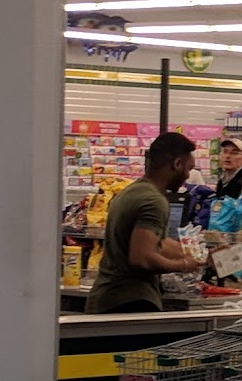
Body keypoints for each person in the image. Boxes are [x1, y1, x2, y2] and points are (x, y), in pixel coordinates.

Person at [86, 132, 201, 312]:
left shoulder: (131, 192)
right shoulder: (154, 201)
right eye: (189, 168)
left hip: (105, 298)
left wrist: (196, 255)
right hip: (130, 303)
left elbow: (155, 242)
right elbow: (142, 258)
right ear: (177, 164)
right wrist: (184, 266)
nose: (187, 175)